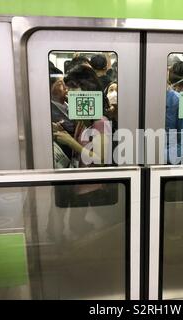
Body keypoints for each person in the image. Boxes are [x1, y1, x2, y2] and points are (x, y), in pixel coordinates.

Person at [52, 64, 114, 239]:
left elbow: (100, 160)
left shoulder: (100, 122)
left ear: (87, 91)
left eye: (73, 89)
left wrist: (72, 143)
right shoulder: (83, 120)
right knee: (77, 227)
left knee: (78, 228)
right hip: (81, 184)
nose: (69, 94)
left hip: (92, 189)